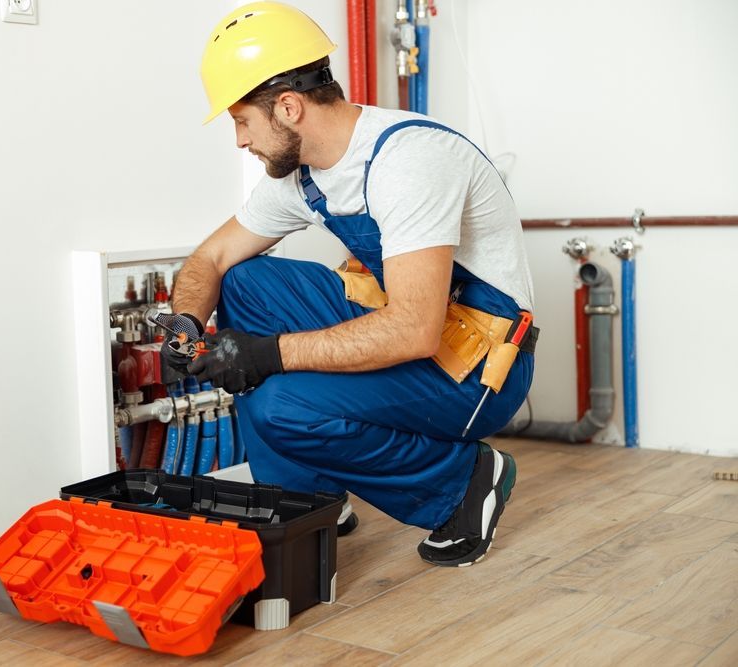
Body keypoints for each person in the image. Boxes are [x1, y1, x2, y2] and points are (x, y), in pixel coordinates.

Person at [157, 1, 537, 567]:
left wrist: (268, 355)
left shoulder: (407, 160)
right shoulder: (303, 172)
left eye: (242, 121)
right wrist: (186, 321)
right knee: (246, 279)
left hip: (479, 365)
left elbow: (413, 329)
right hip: (415, 325)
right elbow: (210, 258)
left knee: (276, 404)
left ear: (288, 108)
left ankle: (461, 484)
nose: (239, 141)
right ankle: (309, 499)